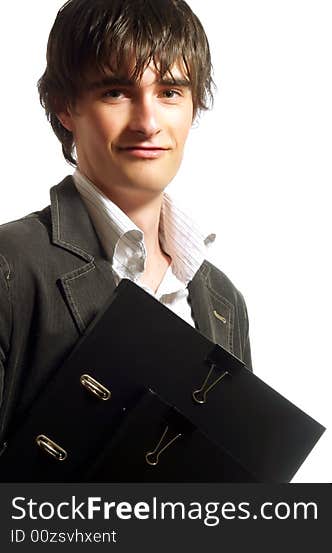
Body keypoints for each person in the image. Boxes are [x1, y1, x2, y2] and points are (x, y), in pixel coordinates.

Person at [0, 0, 251, 455]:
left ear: (194, 108)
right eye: (116, 92)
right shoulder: (9, 267)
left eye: (170, 92)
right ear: (65, 108)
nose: (148, 122)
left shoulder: (223, 301)